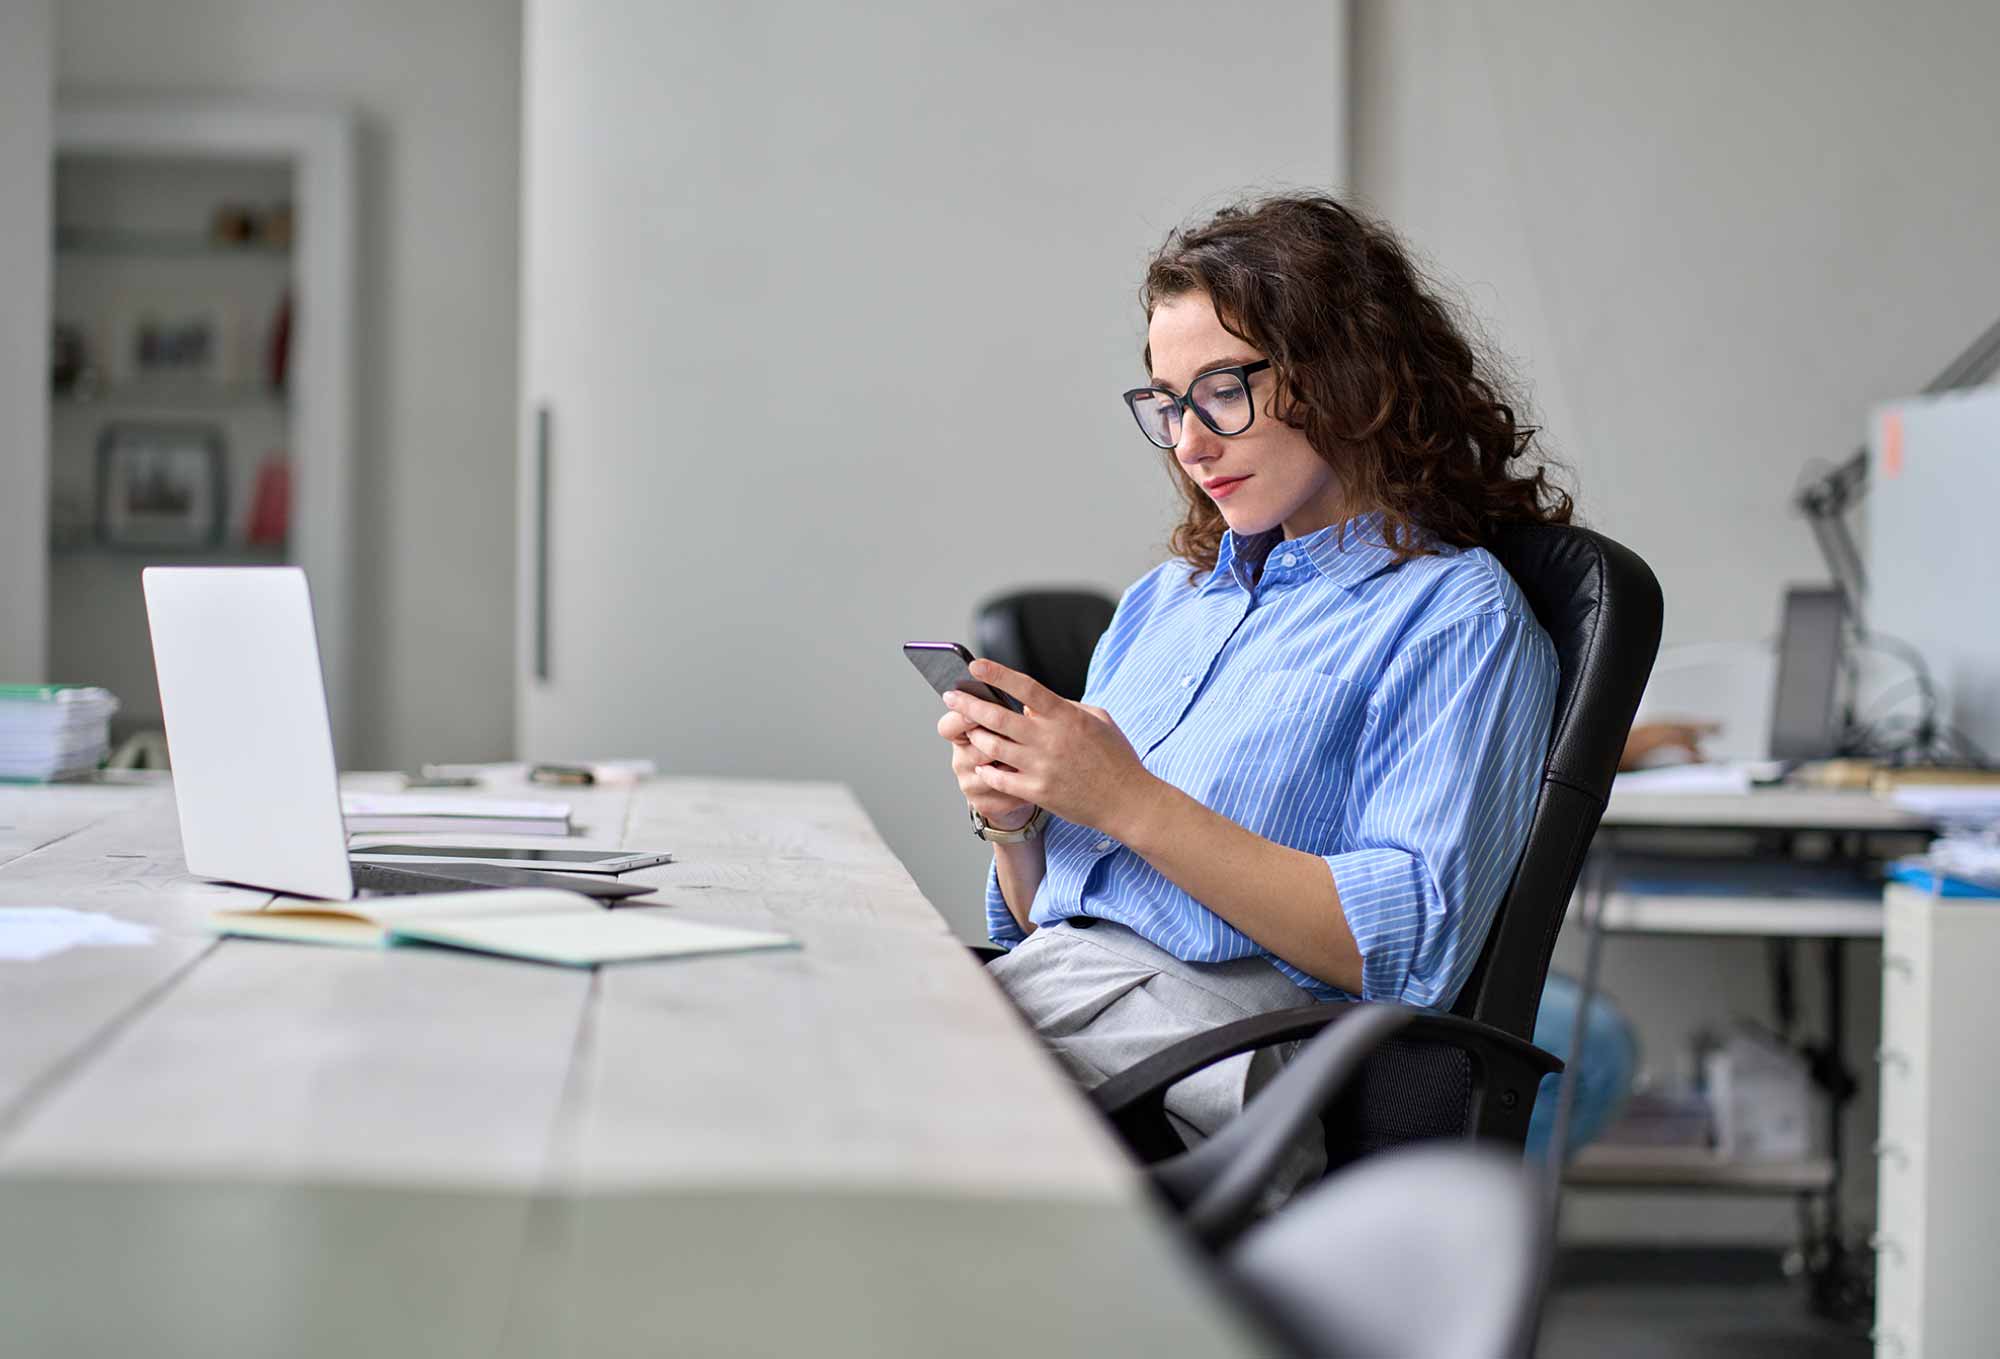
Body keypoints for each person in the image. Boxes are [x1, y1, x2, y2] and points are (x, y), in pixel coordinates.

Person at [934, 192, 1572, 1175]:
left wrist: (1124, 798)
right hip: (1068, 1005)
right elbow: (1049, 923)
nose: (1188, 441)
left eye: (1220, 390)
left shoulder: (1453, 616)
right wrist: (1017, 824)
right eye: (1165, 402)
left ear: (1343, 375)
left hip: (1196, 1069)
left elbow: (1405, 952)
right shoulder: (1167, 600)